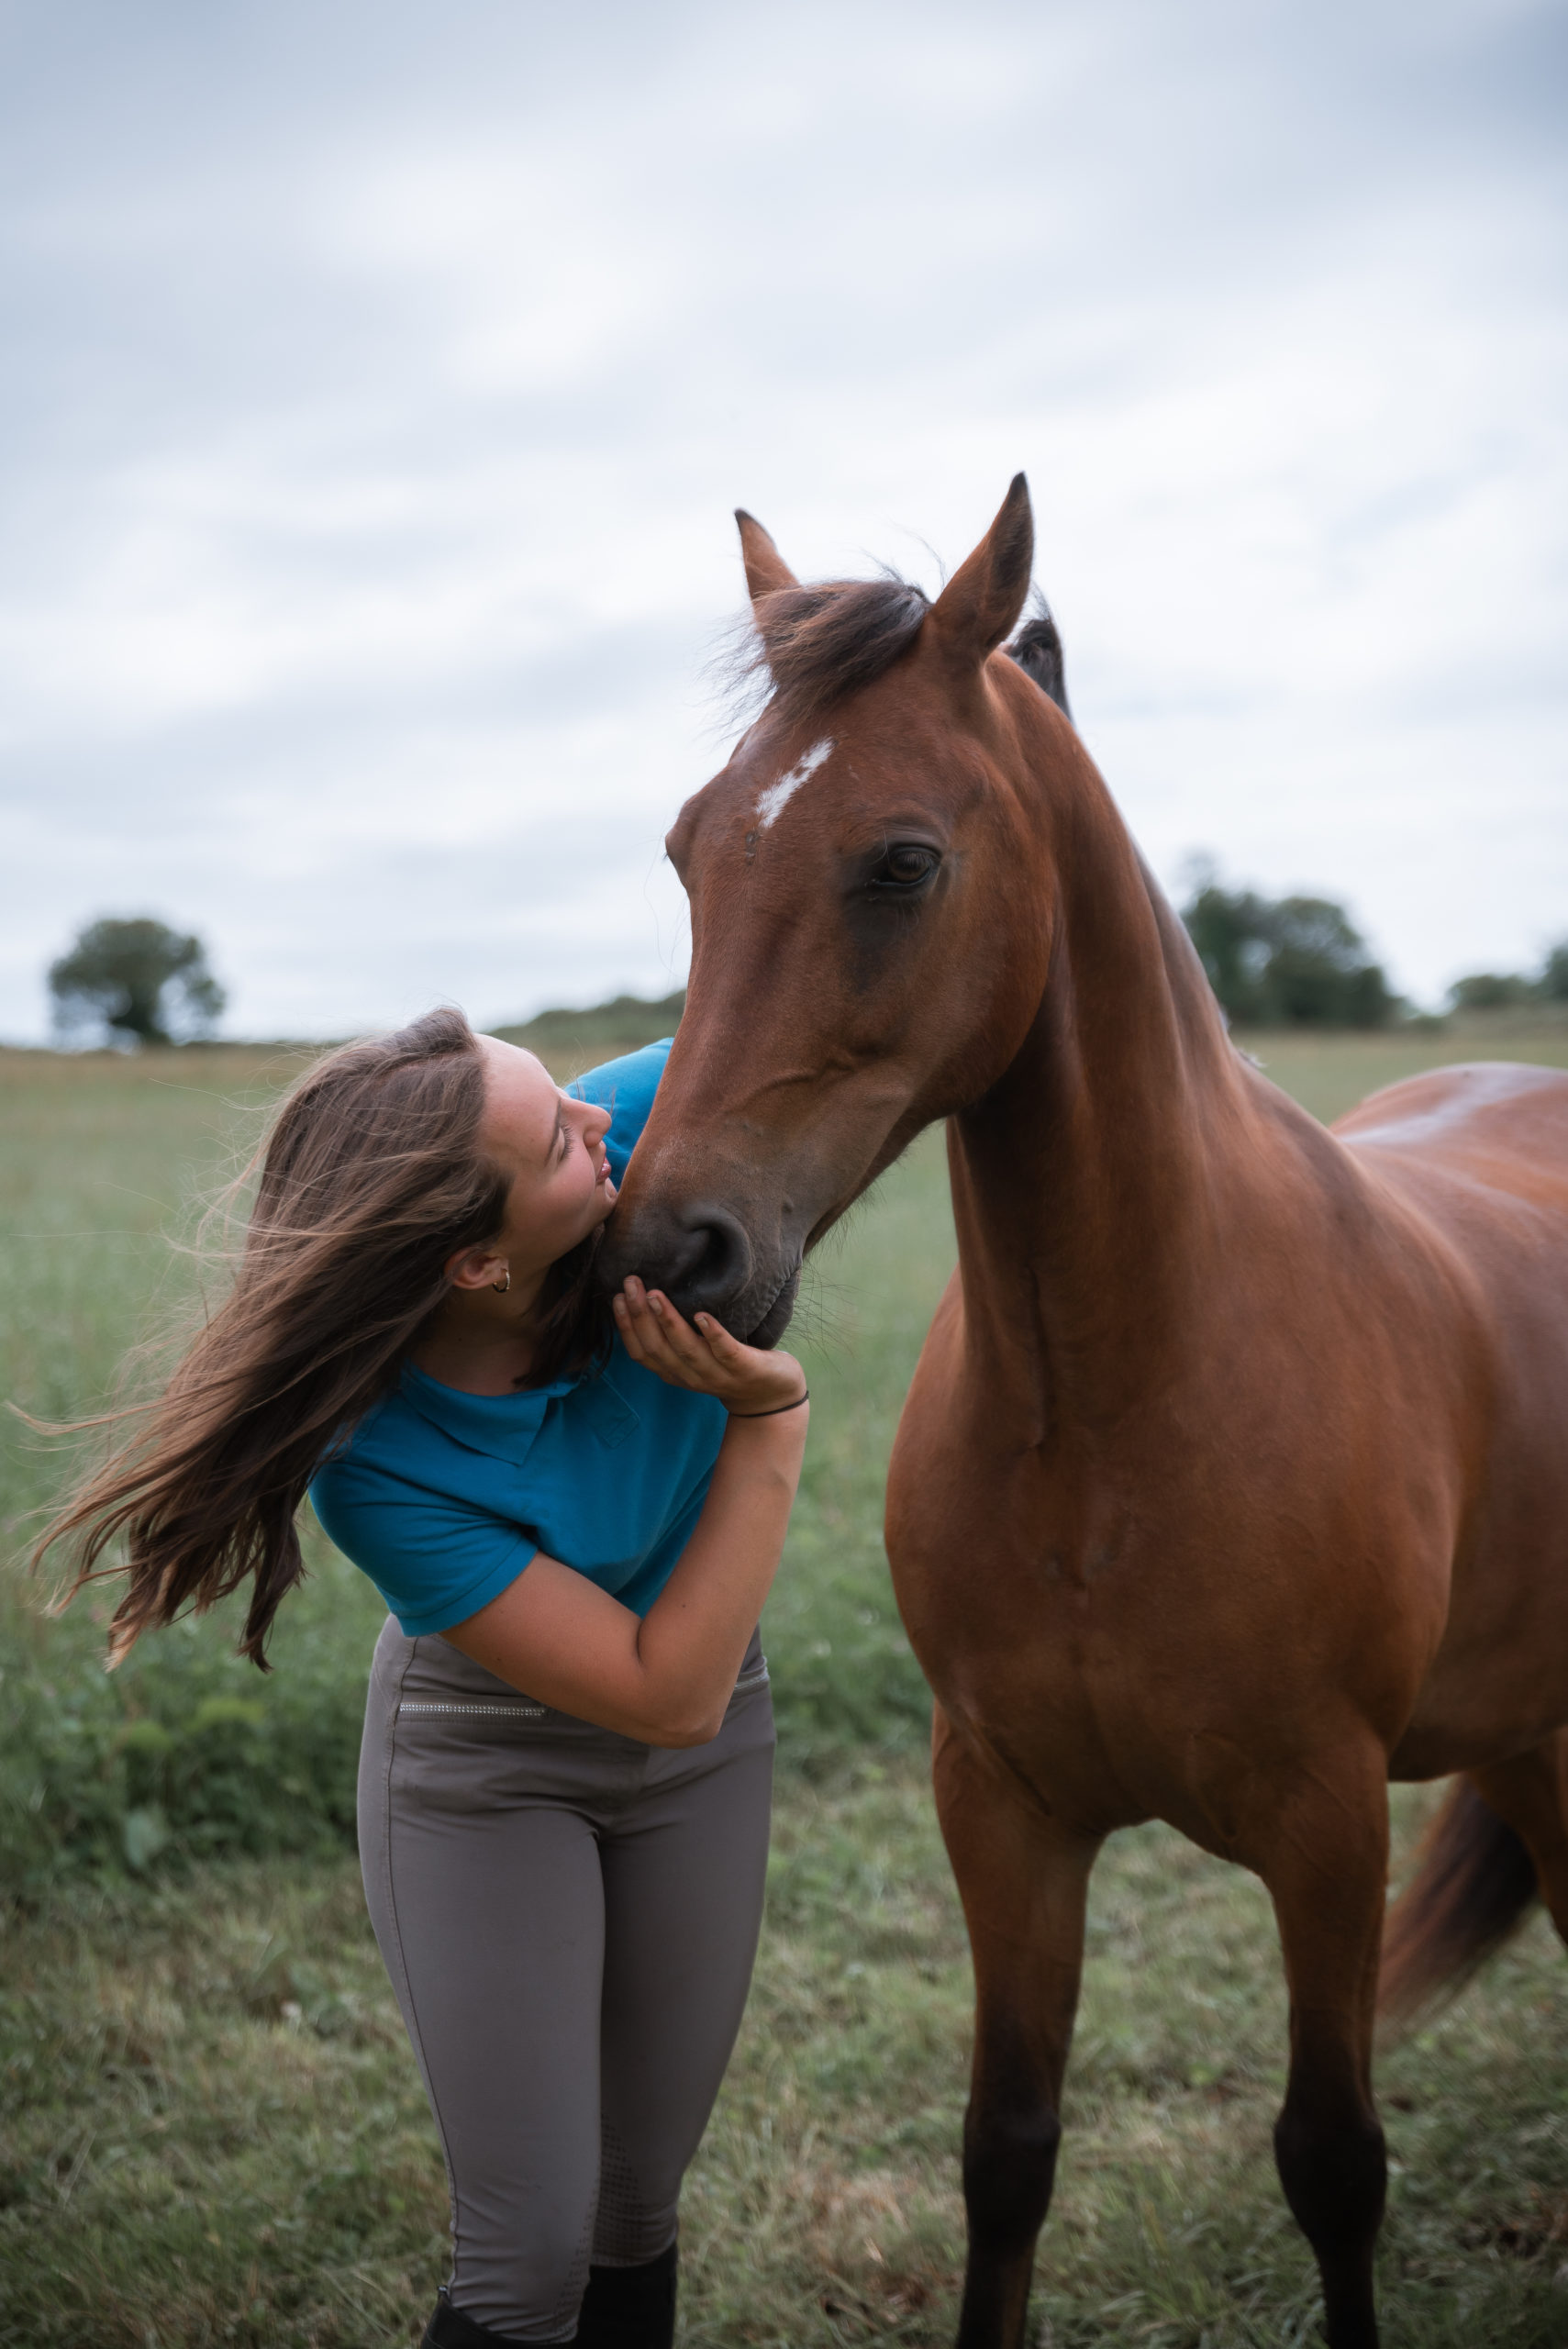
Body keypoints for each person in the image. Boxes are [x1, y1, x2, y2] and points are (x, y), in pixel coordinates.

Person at [37, 1008, 809, 2349]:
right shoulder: (383, 1471)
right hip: (490, 1772)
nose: (597, 1122)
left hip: (709, 1753)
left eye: (562, 1091)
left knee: (638, 2207)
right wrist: (768, 1415)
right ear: (472, 1261)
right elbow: (655, 1689)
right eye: (556, 1140)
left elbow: (856, 1020)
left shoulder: (622, 1124)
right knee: (529, 2251)